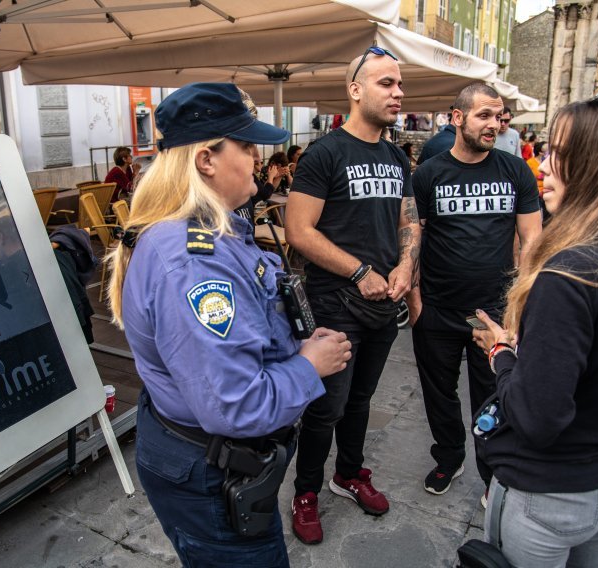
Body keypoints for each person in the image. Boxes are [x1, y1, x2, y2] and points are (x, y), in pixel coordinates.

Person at [106, 82, 352, 567]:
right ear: (205, 160)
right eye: (245, 144)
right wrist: (310, 366)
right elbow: (235, 406)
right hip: (211, 474)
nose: (258, 156)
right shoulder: (195, 262)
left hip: (206, 459)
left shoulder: (215, 232)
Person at [472, 94, 598, 567]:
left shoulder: (570, 274)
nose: (543, 165)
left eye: (558, 153)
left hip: (549, 493)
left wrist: (502, 355)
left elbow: (538, 418)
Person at [285, 46, 421, 544]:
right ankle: (306, 492)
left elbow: (409, 219)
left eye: (399, 84)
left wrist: (406, 264)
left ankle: (349, 474)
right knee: (327, 407)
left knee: (361, 401)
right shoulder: (324, 153)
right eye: (387, 83)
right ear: (356, 89)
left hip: (384, 307)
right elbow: (298, 230)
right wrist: (359, 269)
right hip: (335, 306)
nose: (398, 93)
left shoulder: (395, 155)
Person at [407, 83, 541, 504]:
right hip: (440, 309)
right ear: (457, 117)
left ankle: (492, 473)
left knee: (492, 394)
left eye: (499, 116)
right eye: (484, 115)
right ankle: (449, 456)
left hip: (493, 314)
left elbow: (532, 241)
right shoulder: (428, 173)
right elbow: (411, 238)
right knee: (438, 392)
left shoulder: (515, 170)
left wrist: (518, 310)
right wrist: (414, 302)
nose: (495, 124)